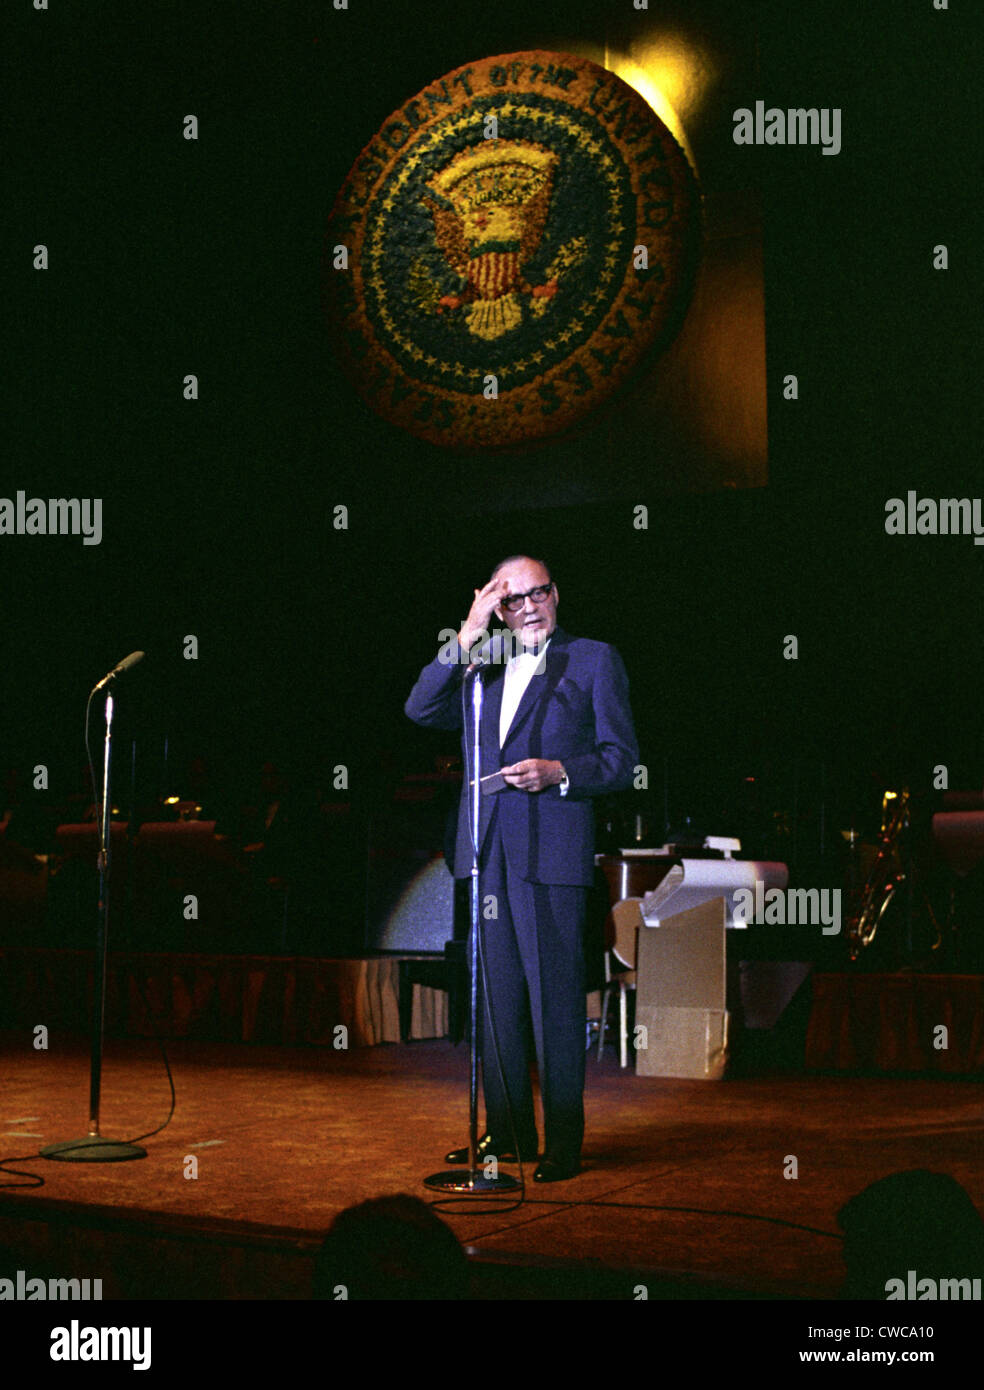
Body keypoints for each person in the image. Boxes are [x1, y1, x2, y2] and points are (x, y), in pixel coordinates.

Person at [404, 556, 638, 1181]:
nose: (529, 607)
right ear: (499, 609)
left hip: (550, 855)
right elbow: (420, 709)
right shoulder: (482, 665)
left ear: (556, 595)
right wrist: (469, 631)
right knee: (495, 1000)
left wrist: (562, 773)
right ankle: (507, 1135)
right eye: (513, 600)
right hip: (485, 855)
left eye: (539, 593)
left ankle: (564, 1140)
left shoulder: (592, 659)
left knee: (556, 1001)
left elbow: (622, 759)